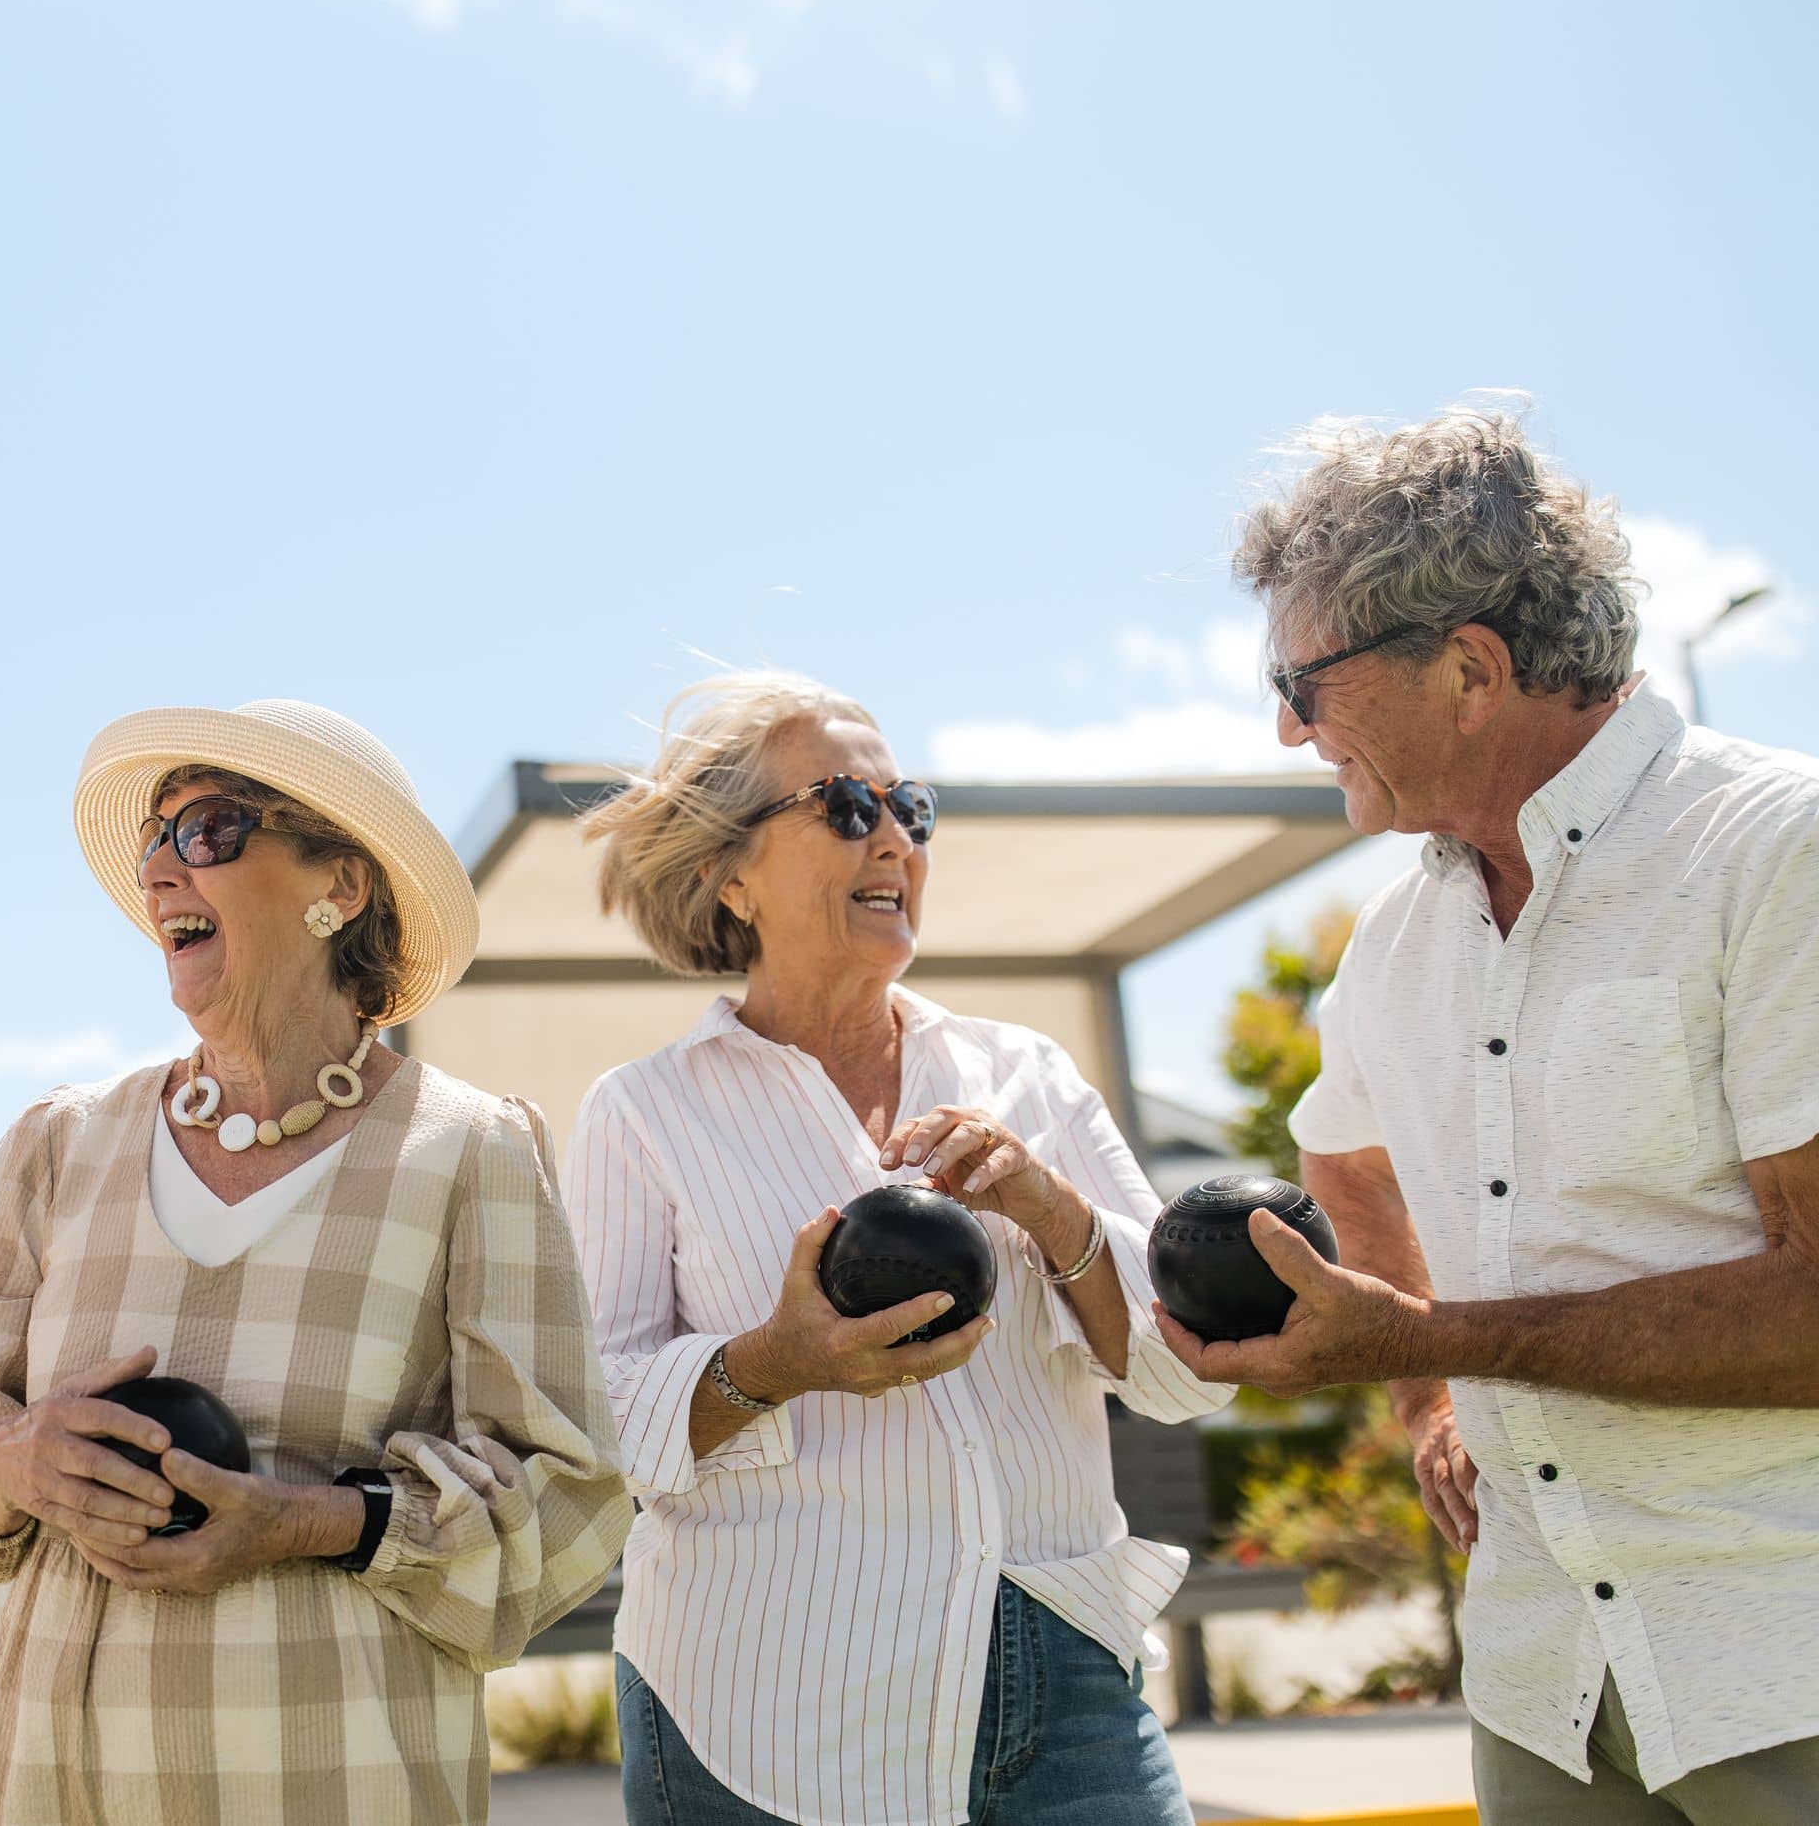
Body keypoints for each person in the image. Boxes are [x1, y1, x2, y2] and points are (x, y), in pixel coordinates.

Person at [1154, 407, 1819, 1822]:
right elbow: (1342, 1153)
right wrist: (1429, 1394)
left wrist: (1436, 1339)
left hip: (1788, 1663)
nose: (1287, 723)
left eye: (1305, 679)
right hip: (1542, 1685)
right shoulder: (1393, 941)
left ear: (1469, 667)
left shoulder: (1779, 850)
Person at [0, 699, 630, 1825]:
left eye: (209, 831)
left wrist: (307, 1518)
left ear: (341, 884)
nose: (161, 873)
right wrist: (14, 1462)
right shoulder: (57, 1142)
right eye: (153, 841)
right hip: (46, 1781)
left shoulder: (471, 1150)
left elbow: (568, 1497)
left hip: (341, 1781)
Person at [564, 672, 1232, 1826]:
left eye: (906, 807)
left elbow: (1180, 1371)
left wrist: (1047, 1206)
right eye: (841, 805)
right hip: (764, 1706)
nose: (891, 837)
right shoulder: (640, 1113)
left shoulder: (1028, 1076)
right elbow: (597, 1422)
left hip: (1066, 1673)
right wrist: (774, 1360)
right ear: (730, 872)